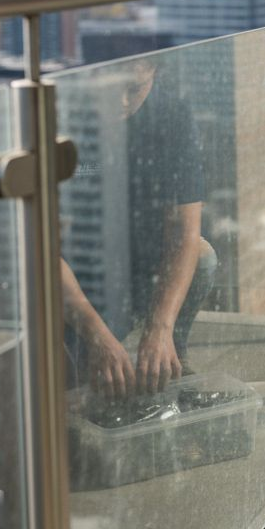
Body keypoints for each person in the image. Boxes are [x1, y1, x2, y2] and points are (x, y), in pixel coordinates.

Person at [61, 61, 216, 396]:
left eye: (134, 88)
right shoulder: (64, 117)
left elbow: (185, 233)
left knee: (202, 255)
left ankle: (169, 355)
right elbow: (41, 253)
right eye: (109, 88)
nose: (120, 101)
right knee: (80, 395)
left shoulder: (172, 115)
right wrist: (98, 336)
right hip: (75, 280)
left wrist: (160, 328)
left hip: (139, 268)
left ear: (155, 73)